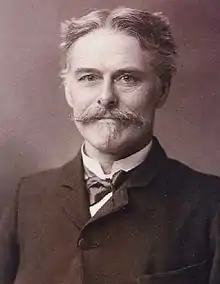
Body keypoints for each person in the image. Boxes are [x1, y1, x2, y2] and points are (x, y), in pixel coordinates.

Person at [0, 7, 220, 284]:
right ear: (69, 91)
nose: (106, 97)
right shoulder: (27, 197)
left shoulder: (211, 203)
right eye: (89, 78)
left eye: (127, 78)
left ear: (162, 89)